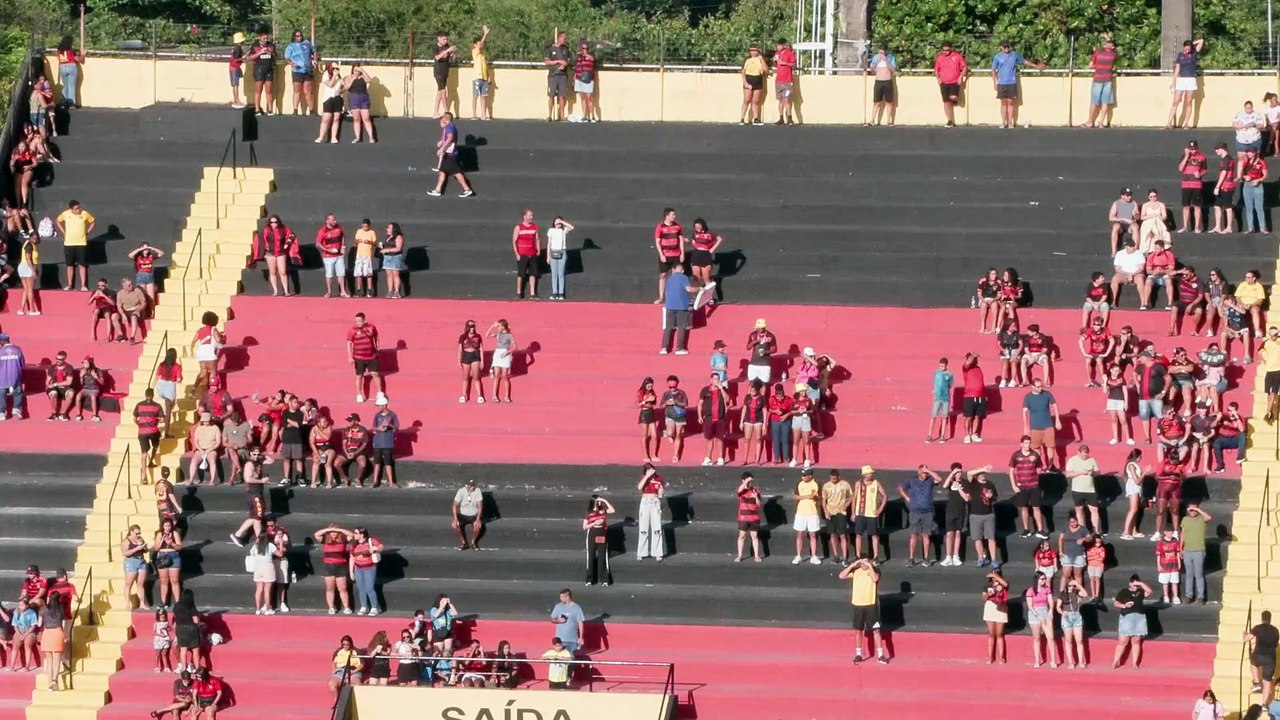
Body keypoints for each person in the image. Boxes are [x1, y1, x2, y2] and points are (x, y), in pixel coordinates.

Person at [840, 555, 888, 664]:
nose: (863, 565)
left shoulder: (875, 571)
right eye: (862, 563)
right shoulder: (856, 572)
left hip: (871, 605)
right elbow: (841, 576)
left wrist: (869, 565)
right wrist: (852, 565)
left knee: (876, 630)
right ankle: (858, 654)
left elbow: (875, 578)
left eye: (865, 562)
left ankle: (880, 655)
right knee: (858, 630)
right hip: (858, 605)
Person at [990, 41, 1044, 128]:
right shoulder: (997, 57)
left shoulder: (1014, 55)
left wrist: (1036, 66)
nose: (1006, 48)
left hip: (1011, 82)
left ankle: (1010, 122)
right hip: (1002, 82)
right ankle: (1004, 122)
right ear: (1001, 47)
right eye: (1005, 47)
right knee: (1003, 102)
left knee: (1011, 102)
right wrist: (994, 82)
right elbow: (993, 70)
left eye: (1008, 47)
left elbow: (1024, 62)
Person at [900, 466, 940, 567]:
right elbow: (901, 488)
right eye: (923, 472)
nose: (925, 474)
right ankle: (911, 558)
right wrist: (907, 498)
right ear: (919, 472)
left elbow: (939, 479)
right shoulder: (912, 480)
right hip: (915, 511)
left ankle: (926, 558)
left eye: (926, 473)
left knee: (926, 535)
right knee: (913, 535)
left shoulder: (930, 480)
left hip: (928, 512)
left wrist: (928, 471)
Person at [427, 113, 474, 197]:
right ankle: (437, 190)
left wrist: (442, 149)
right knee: (442, 171)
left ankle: (467, 189)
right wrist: (441, 142)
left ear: (447, 119)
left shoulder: (450, 127)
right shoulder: (449, 127)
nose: (441, 120)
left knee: (456, 172)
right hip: (448, 154)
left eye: (443, 118)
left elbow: (450, 138)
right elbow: (447, 138)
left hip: (451, 154)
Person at [960, 468, 999, 567]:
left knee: (991, 538)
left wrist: (991, 497)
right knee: (977, 539)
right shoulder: (973, 484)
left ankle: (994, 560)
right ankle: (980, 558)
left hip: (988, 515)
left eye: (983, 473)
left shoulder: (990, 484)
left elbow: (996, 497)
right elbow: (969, 473)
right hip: (975, 515)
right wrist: (983, 467)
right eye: (980, 474)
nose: (982, 475)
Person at [1113, 574, 1153, 668]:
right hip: (1127, 616)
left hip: (1139, 617)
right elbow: (1116, 603)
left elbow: (1149, 591)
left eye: (1137, 585)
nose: (1135, 587)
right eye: (1134, 585)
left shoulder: (1141, 591)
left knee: (1136, 640)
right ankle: (1115, 661)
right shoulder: (1124, 592)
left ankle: (1135, 663)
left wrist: (1140, 583)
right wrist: (1124, 606)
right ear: (1130, 583)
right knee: (1123, 641)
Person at [1022, 379, 1061, 471]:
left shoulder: (1047, 394)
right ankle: (1038, 466)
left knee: (1050, 446)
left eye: (1041, 386)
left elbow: (1054, 406)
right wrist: (1025, 426)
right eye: (1038, 387)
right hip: (1035, 427)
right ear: (1033, 386)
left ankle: (1051, 466)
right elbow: (1024, 412)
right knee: (1036, 448)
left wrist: (1057, 420)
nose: (1040, 388)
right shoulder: (1028, 397)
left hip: (1048, 426)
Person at [314, 525, 355, 614]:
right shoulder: (325, 539)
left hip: (341, 566)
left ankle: (346, 607)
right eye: (332, 532)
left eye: (335, 532)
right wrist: (329, 529)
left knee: (343, 588)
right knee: (330, 588)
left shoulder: (343, 539)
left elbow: (351, 535)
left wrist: (339, 529)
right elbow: (316, 534)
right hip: (328, 566)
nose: (334, 533)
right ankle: (331, 607)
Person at [56, 200, 95, 292]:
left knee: (82, 264)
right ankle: (70, 284)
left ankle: (83, 285)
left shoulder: (84, 213)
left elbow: (93, 221)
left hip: (81, 243)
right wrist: (63, 232)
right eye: (76, 209)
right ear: (71, 209)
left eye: (79, 208)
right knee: (69, 265)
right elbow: (58, 221)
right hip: (69, 243)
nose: (78, 210)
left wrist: (87, 232)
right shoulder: (65, 214)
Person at [347, 312, 386, 405]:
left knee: (375, 374)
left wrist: (377, 346)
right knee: (359, 376)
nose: (358, 323)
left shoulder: (371, 327)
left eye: (359, 321)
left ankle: (380, 393)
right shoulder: (352, 330)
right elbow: (349, 343)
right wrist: (349, 357)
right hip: (358, 357)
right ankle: (359, 394)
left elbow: (376, 335)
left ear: (364, 320)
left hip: (371, 356)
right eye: (356, 321)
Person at [850, 467, 886, 562]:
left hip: (872, 514)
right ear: (864, 475)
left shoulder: (876, 483)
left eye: (871, 473)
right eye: (869, 473)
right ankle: (858, 555)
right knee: (858, 535)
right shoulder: (858, 483)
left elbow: (885, 496)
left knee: (874, 535)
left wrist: (880, 509)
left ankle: (876, 556)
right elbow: (854, 498)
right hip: (860, 513)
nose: (870, 475)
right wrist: (853, 513)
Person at [1025, 574, 1060, 668]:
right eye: (1042, 579)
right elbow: (1030, 606)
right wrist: (1037, 616)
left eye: (1045, 579)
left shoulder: (1047, 589)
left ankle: (1053, 660)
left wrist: (1051, 611)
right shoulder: (1031, 590)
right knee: (1036, 638)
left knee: (1051, 637)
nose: (1044, 581)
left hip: (1045, 611)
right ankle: (1037, 660)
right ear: (1037, 579)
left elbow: (1050, 601)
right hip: (1035, 613)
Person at [1082, 35, 1117, 128]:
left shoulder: (1097, 53)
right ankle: (1101, 123)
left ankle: (1090, 121)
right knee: (1105, 102)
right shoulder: (1113, 54)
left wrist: (1097, 65)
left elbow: (1090, 65)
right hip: (1108, 80)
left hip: (1098, 79)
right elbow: (1115, 47)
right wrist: (1108, 38)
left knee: (1094, 102)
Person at [653, 208, 686, 305]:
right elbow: (657, 242)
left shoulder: (678, 226)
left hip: (676, 255)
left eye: (675, 215)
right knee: (663, 275)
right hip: (665, 255)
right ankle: (661, 298)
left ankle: (675, 297)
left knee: (676, 275)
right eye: (673, 215)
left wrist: (682, 253)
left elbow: (681, 240)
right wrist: (661, 255)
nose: (675, 216)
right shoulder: (660, 227)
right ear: (667, 216)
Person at [659, 264, 693, 356]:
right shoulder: (684, 277)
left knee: (668, 327)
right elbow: (689, 289)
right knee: (681, 327)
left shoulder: (669, 279)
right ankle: (679, 348)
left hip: (669, 306)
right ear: (682, 271)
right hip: (681, 306)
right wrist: (699, 289)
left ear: (673, 270)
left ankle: (664, 348)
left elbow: (667, 292)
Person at [1246, 611, 1279, 704]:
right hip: (1271, 658)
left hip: (1258, 655)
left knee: (1253, 662)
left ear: (1262, 618)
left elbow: (1247, 638)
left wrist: (1244, 634)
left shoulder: (1258, 628)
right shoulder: (1275, 630)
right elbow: (1276, 645)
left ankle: (1256, 682)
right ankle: (1264, 704)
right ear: (1270, 619)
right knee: (1267, 682)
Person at [1066, 444, 1101, 532]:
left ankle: (1096, 530)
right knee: (1079, 510)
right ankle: (1082, 530)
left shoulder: (1091, 460)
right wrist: (1081, 472)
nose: (1084, 457)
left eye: (1086, 455)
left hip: (1090, 490)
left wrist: (1093, 473)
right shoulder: (1072, 460)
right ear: (1078, 452)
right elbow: (1068, 474)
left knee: (1094, 509)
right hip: (1077, 490)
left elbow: (1098, 471)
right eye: (1082, 455)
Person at [1181, 503, 1211, 605]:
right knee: (1189, 574)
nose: (1192, 512)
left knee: (1199, 574)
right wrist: (1181, 548)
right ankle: (1189, 595)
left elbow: (1209, 517)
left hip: (1199, 550)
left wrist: (1198, 509)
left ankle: (1201, 596)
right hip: (1187, 550)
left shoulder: (1201, 519)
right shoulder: (1185, 519)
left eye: (1194, 510)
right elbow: (1183, 534)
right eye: (1191, 510)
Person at [821, 470, 853, 565]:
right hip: (830, 512)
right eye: (831, 478)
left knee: (842, 535)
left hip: (841, 512)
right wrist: (826, 512)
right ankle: (835, 555)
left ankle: (844, 556)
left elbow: (852, 495)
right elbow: (824, 500)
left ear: (839, 477)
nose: (833, 480)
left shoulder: (845, 484)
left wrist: (847, 503)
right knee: (832, 534)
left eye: (835, 478)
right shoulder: (826, 486)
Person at [1057, 579, 1090, 669]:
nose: (1071, 587)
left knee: (1079, 640)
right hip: (1067, 615)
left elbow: (1086, 594)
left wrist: (1078, 585)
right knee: (1068, 640)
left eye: (1073, 586)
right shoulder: (1063, 594)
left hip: (1076, 615)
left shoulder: (1077, 592)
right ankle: (1071, 662)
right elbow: (1058, 607)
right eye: (1070, 586)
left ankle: (1080, 662)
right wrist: (1062, 612)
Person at [349, 527, 383, 615]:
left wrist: (375, 548)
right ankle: (363, 606)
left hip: (369, 568)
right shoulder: (354, 544)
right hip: (358, 568)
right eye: (354, 533)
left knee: (369, 588)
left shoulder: (370, 541)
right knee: (361, 588)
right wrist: (351, 571)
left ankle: (374, 607)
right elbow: (352, 558)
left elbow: (381, 547)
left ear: (362, 534)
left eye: (356, 533)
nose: (354, 535)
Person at [698, 373, 730, 466]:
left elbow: (727, 400)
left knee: (720, 438)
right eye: (715, 379)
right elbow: (700, 404)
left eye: (718, 379)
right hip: (709, 417)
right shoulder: (705, 390)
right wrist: (699, 416)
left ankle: (720, 458)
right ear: (711, 380)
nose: (717, 381)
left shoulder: (723, 389)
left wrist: (721, 388)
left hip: (720, 417)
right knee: (709, 438)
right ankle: (708, 458)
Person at [635, 465, 665, 561]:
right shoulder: (644, 478)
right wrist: (647, 476)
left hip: (655, 501)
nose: (650, 471)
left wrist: (661, 492)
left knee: (657, 528)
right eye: (648, 470)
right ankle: (641, 552)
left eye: (651, 469)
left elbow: (660, 494)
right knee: (643, 528)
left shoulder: (659, 479)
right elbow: (639, 487)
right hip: (645, 501)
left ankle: (657, 553)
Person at [933, 42, 967, 127]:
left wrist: (961, 77)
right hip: (944, 82)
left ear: (951, 49)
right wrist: (938, 79)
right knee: (946, 101)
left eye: (947, 50)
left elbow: (964, 67)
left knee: (953, 97)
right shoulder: (940, 58)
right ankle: (949, 120)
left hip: (954, 81)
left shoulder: (957, 56)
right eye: (944, 50)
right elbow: (936, 70)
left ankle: (954, 101)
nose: (946, 52)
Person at [191, 311, 224, 399]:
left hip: (201, 352)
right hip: (209, 352)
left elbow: (193, 341)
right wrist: (222, 337)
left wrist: (191, 351)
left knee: (203, 373)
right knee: (213, 372)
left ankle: (194, 388)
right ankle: (213, 393)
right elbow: (218, 340)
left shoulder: (200, 330)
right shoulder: (213, 329)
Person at [792, 468, 822, 565]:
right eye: (802, 475)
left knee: (813, 535)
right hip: (801, 512)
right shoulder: (799, 483)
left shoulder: (816, 483)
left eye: (805, 475)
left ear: (811, 476)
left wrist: (815, 497)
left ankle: (814, 556)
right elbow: (795, 496)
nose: (803, 477)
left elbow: (820, 497)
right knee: (799, 534)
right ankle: (798, 556)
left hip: (812, 513)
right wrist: (806, 497)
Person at [583, 496, 615, 586]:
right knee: (591, 556)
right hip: (593, 533)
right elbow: (584, 527)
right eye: (598, 501)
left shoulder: (603, 510)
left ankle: (605, 579)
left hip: (602, 533)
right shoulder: (589, 513)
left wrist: (605, 500)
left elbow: (612, 510)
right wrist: (594, 523)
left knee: (602, 557)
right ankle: (589, 579)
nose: (599, 503)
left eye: (600, 501)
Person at [315, 214, 349, 298]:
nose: (335, 221)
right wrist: (328, 250)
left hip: (339, 255)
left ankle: (343, 292)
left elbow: (342, 236)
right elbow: (318, 244)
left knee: (341, 273)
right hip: (328, 257)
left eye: (335, 220)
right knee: (329, 274)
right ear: (327, 221)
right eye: (333, 220)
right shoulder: (322, 230)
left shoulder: (339, 227)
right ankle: (329, 292)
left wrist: (342, 247)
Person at [1178, 140, 1208, 233]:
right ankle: (1185, 226)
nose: (1192, 151)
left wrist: (1200, 174)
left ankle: (1197, 227)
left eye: (1194, 149)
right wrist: (1186, 156)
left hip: (1196, 185)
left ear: (1197, 148)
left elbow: (1205, 169)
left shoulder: (1202, 157)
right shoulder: (1184, 156)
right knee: (1186, 206)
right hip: (1186, 184)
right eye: (1191, 149)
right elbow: (1180, 168)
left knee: (1197, 206)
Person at [134, 388, 163, 482]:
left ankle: (144, 476)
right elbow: (162, 419)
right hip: (153, 430)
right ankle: (151, 462)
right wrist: (155, 421)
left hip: (142, 432)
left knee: (144, 453)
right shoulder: (157, 406)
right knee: (155, 445)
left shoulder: (139, 405)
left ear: (145, 395)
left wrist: (139, 425)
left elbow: (135, 419)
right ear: (153, 395)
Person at [284, 30, 316, 115]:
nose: (299, 37)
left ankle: (312, 110)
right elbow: (286, 58)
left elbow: (314, 51)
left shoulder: (307, 43)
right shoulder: (291, 46)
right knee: (297, 90)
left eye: (300, 35)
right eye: (297, 36)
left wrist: (314, 60)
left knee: (308, 91)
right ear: (294, 37)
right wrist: (291, 63)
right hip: (297, 71)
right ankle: (295, 110)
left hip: (307, 70)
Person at [370, 397, 399, 488]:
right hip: (378, 442)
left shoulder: (392, 415)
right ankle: (375, 481)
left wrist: (389, 425)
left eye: (379, 405)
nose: (378, 407)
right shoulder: (377, 415)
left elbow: (397, 427)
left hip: (388, 442)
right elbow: (373, 427)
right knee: (377, 462)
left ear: (384, 405)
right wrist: (379, 428)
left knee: (388, 462)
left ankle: (391, 482)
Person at [981, 569, 1009, 664]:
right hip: (990, 607)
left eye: (995, 575)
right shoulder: (987, 586)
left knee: (1000, 634)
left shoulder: (1004, 583)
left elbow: (1005, 584)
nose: (993, 577)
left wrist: (996, 576)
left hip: (1001, 608)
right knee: (991, 633)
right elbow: (984, 598)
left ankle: (1001, 657)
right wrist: (988, 595)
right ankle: (990, 656)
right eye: (992, 576)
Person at [512, 209, 541, 299]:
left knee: (533, 274)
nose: (531, 217)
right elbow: (514, 241)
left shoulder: (535, 227)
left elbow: (537, 239)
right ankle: (519, 293)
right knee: (521, 274)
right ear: (524, 216)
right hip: (522, 254)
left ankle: (532, 293)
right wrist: (517, 254)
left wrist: (538, 250)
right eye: (529, 215)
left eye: (532, 215)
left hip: (532, 253)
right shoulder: (518, 227)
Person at [172, 589, 203, 673]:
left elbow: (174, 617)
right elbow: (196, 620)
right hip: (191, 628)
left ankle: (184, 670)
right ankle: (197, 669)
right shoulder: (191, 606)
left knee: (183, 650)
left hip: (180, 628)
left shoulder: (176, 606)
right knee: (195, 649)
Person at [1210, 144, 1239, 233]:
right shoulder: (1225, 159)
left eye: (1217, 149)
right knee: (1217, 206)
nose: (1216, 151)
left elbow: (1224, 173)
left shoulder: (1227, 159)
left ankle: (1229, 227)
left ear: (1223, 149)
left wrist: (1217, 186)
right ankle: (1218, 226)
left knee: (1228, 207)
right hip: (1223, 186)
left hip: (1227, 186)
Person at [247, 29, 277, 115]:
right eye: (264, 38)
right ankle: (257, 109)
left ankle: (270, 109)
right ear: (259, 38)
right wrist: (260, 52)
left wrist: (271, 53)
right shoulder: (255, 46)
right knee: (258, 90)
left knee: (269, 90)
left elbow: (275, 56)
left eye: (266, 38)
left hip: (269, 70)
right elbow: (250, 58)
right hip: (259, 69)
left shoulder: (271, 45)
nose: (266, 40)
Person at [735, 472, 763, 563]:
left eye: (750, 481)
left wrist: (756, 498)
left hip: (754, 518)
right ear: (743, 480)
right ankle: (739, 556)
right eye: (747, 481)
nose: (749, 483)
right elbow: (739, 490)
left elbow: (758, 505)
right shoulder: (741, 490)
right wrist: (745, 481)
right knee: (742, 536)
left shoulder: (756, 490)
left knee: (754, 536)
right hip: (743, 517)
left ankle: (756, 556)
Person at [688, 218, 721, 294]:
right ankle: (695, 297)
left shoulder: (710, 233)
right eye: (696, 227)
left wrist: (712, 248)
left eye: (699, 227)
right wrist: (688, 241)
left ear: (703, 226)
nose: (697, 228)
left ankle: (710, 297)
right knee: (696, 278)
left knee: (706, 278)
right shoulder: (695, 233)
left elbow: (719, 239)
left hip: (706, 256)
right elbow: (693, 244)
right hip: (696, 255)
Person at [121, 526, 150, 610]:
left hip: (141, 561)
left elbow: (146, 550)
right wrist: (137, 548)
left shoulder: (140, 539)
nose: (138, 535)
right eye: (136, 533)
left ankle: (142, 603)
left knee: (140, 584)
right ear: (131, 532)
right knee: (128, 583)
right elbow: (125, 553)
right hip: (131, 561)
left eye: (139, 533)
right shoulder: (126, 541)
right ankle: (127, 603)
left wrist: (144, 547)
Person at [188, 413, 222, 485]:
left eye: (207, 421)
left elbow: (218, 442)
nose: (206, 422)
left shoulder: (215, 428)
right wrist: (200, 450)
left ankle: (212, 480)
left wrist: (209, 450)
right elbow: (196, 442)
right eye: (204, 421)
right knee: (194, 460)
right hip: (200, 449)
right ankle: (191, 479)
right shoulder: (199, 428)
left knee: (212, 460)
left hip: (211, 449)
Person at [1212, 402, 1247, 471]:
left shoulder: (1240, 418)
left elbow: (1242, 430)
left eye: (1231, 410)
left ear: (1235, 411)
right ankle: (1220, 466)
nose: (1229, 412)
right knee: (1216, 443)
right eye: (1228, 409)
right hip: (1224, 439)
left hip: (1234, 440)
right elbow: (1212, 425)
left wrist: (1237, 418)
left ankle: (1240, 456)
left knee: (1242, 435)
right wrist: (1217, 419)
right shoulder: (1224, 415)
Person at [545, 216, 574, 300]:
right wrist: (548, 256)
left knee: (561, 273)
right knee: (554, 274)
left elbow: (571, 227)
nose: (558, 223)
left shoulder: (563, 231)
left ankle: (561, 293)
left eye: (559, 222)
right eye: (556, 221)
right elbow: (549, 244)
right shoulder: (551, 230)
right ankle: (554, 292)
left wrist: (562, 222)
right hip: (553, 252)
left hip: (562, 252)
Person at [868, 44, 897, 126]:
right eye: (880, 52)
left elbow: (893, 70)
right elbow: (872, 69)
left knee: (889, 102)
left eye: (883, 52)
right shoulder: (875, 57)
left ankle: (888, 121)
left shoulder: (890, 57)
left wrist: (886, 60)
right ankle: (872, 120)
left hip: (887, 81)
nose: (881, 54)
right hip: (878, 81)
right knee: (876, 102)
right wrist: (878, 61)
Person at [457, 319, 485, 403]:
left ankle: (480, 396)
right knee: (466, 377)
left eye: (473, 326)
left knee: (476, 377)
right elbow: (460, 350)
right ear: (467, 327)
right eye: (470, 326)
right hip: (466, 356)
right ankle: (463, 395)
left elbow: (481, 348)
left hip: (475, 356)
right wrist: (459, 361)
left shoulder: (478, 336)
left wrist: (482, 361)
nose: (472, 328)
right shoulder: (462, 337)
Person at [1081, 315, 1114, 387]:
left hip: (1101, 353)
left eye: (1098, 325)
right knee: (1087, 361)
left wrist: (1106, 353)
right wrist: (1084, 353)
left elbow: (1112, 341)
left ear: (1101, 325)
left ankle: (1103, 381)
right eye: (1094, 324)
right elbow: (1080, 340)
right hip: (1092, 352)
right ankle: (1091, 381)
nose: (1096, 326)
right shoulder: (1090, 330)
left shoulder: (1105, 330)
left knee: (1099, 360)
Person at [1240, 151, 1269, 233]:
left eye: (1250, 152)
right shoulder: (1246, 161)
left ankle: (1262, 228)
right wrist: (1245, 176)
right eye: (1247, 152)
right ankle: (1250, 228)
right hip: (1247, 185)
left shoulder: (1261, 162)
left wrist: (1259, 180)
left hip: (1257, 185)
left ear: (1255, 153)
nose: (1248, 154)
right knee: (1248, 208)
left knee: (1259, 207)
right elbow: (1241, 173)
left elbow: (1266, 175)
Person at [452, 478, 485, 550]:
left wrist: (478, 519)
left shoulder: (477, 490)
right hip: (462, 514)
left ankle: (473, 543)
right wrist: (455, 519)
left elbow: (480, 506)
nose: (472, 487)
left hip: (474, 514)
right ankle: (464, 543)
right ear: (466, 486)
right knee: (455, 526)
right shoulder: (461, 491)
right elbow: (455, 505)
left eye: (473, 485)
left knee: (478, 526)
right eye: (470, 486)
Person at [960, 353, 986, 443]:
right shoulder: (966, 368)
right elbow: (968, 362)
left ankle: (974, 434)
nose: (975, 360)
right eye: (973, 359)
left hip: (980, 396)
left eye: (975, 359)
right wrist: (973, 355)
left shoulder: (978, 368)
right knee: (968, 417)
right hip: (969, 397)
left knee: (977, 417)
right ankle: (967, 435)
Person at [315, 63, 344, 143]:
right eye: (334, 68)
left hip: (338, 98)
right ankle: (321, 137)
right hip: (328, 99)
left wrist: (341, 91)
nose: (336, 70)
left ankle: (334, 137)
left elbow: (342, 87)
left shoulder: (339, 77)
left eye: (337, 69)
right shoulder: (326, 74)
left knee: (336, 118)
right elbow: (330, 85)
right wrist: (334, 76)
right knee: (326, 118)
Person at [44, 350, 76, 421]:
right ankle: (54, 414)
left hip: (64, 387)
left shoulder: (69, 368)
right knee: (53, 393)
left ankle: (63, 413)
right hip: (54, 388)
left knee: (71, 393)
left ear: (65, 359)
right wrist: (48, 385)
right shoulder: (52, 368)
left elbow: (69, 382)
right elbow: (47, 380)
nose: (58, 361)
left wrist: (56, 384)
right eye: (57, 358)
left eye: (60, 359)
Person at [740, 45, 767, 125]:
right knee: (746, 100)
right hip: (749, 80)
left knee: (756, 101)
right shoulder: (747, 60)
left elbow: (766, 71)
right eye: (752, 51)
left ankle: (756, 118)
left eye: (755, 51)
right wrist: (745, 82)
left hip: (758, 80)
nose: (753, 52)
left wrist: (762, 60)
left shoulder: (760, 59)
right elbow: (743, 71)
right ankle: (742, 118)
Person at [767, 382, 793, 464]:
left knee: (785, 440)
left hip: (786, 421)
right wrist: (775, 411)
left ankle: (786, 458)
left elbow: (792, 410)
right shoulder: (771, 399)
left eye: (781, 396)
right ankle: (776, 458)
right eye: (778, 396)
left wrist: (786, 415)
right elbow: (768, 409)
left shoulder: (788, 399)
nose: (780, 398)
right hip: (775, 421)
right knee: (776, 440)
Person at [1155, 527, 1183, 605]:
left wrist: (1179, 563)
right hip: (1164, 566)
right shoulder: (1161, 542)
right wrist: (1158, 565)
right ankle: (1166, 596)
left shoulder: (1175, 541)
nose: (1171, 534)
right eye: (1169, 532)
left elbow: (1177, 553)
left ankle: (1176, 596)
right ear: (1165, 532)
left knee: (1175, 582)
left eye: (1172, 532)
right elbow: (1158, 555)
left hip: (1174, 565)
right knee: (1165, 583)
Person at [773, 38, 796, 125]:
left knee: (787, 99)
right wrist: (774, 61)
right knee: (780, 100)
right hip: (779, 80)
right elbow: (776, 65)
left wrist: (785, 63)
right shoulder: (777, 53)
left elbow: (793, 65)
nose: (778, 47)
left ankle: (789, 118)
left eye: (780, 45)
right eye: (777, 45)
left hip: (787, 80)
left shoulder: (789, 53)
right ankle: (781, 117)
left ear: (784, 45)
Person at [471, 26, 492, 120]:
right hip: (477, 77)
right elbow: (480, 45)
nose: (480, 45)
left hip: (484, 78)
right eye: (478, 44)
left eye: (481, 43)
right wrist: (485, 34)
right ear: (475, 45)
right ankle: (474, 115)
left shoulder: (483, 54)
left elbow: (485, 66)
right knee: (475, 96)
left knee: (484, 97)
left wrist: (489, 77)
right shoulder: (475, 51)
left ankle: (483, 115)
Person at [574, 41, 598, 123]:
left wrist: (585, 54)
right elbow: (576, 67)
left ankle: (592, 116)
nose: (585, 50)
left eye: (586, 48)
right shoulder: (578, 57)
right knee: (583, 98)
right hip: (579, 78)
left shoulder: (590, 56)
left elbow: (592, 59)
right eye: (583, 48)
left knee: (589, 98)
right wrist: (574, 77)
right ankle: (584, 115)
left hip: (588, 79)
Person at [637, 377, 660, 463]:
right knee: (645, 435)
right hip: (644, 414)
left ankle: (654, 455)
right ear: (645, 385)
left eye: (651, 385)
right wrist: (646, 400)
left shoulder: (652, 392)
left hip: (651, 413)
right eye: (649, 385)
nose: (650, 387)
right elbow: (637, 405)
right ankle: (645, 455)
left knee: (654, 435)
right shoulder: (640, 392)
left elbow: (654, 402)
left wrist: (653, 399)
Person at [55, 35, 82, 107]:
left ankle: (64, 102)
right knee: (71, 86)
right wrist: (82, 54)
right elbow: (78, 59)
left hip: (62, 66)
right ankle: (71, 103)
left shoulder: (59, 50)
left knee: (65, 85)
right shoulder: (71, 50)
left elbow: (58, 58)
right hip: (71, 66)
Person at [1108, 188, 1137, 253]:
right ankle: (1114, 251)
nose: (1130, 197)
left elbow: (1138, 217)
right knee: (1115, 227)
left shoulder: (1133, 203)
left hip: (1130, 225)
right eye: (1127, 195)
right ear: (1122, 196)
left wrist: (1135, 214)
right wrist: (1123, 219)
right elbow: (1111, 217)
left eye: (1130, 195)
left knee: (1135, 227)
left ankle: (1135, 249)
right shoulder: (1116, 203)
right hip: (1120, 224)